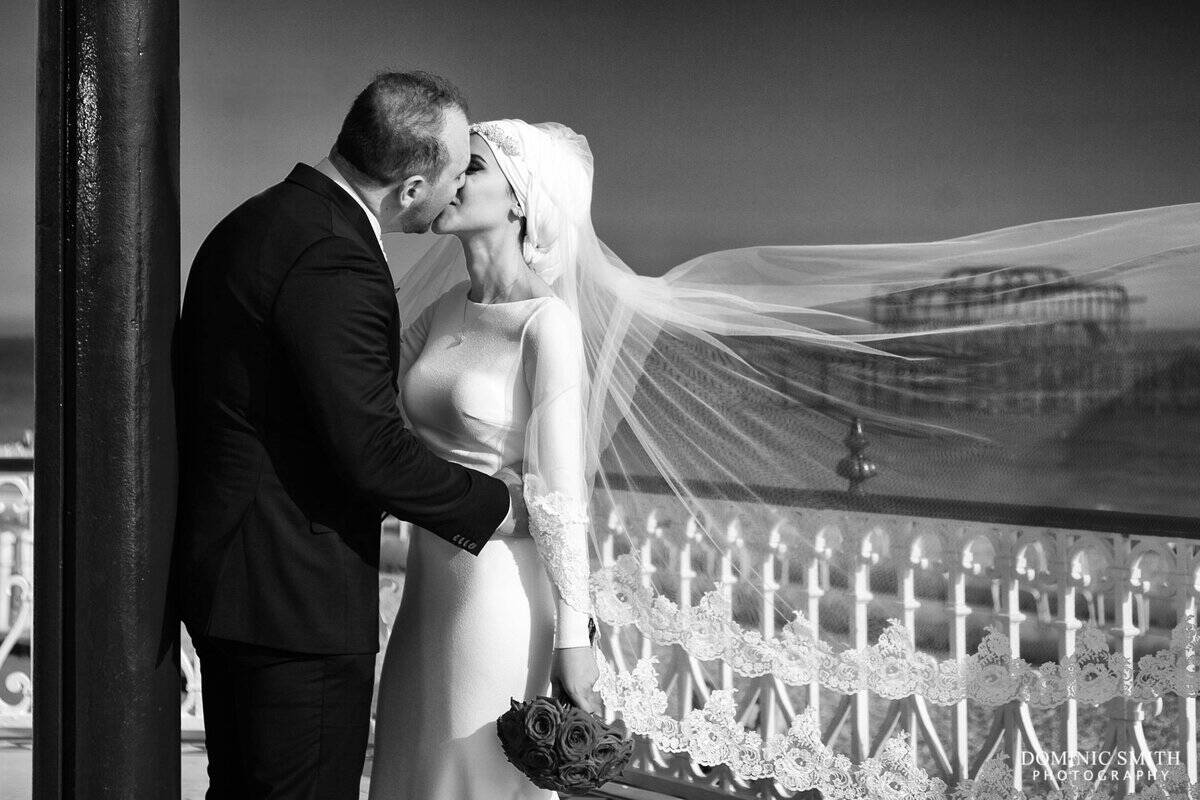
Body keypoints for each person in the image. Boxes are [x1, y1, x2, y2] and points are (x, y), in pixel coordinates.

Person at [368, 118, 1200, 799]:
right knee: (408, 762)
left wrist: (575, 639)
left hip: (496, 595)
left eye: (466, 164)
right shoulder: (440, 310)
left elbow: (558, 498)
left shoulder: (546, 324)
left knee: (467, 777)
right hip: (428, 587)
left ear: (519, 201)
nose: (443, 176)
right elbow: (379, 429)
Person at [174, 72, 519, 800]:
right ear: (414, 186)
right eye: (456, 174)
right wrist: (498, 506)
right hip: (295, 600)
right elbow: (372, 452)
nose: (459, 190)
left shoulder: (253, 222)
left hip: (235, 581)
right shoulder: (336, 257)